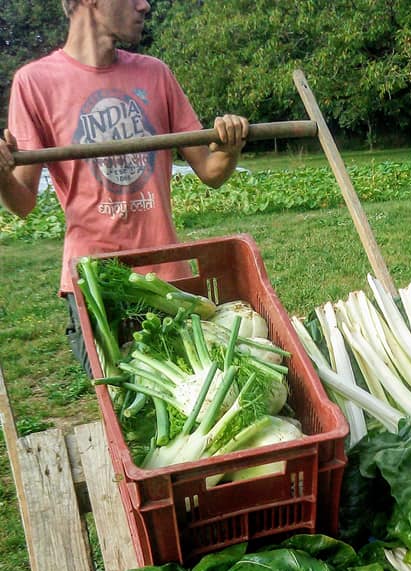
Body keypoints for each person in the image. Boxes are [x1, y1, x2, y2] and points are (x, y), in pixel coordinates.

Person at [0, 0, 249, 367]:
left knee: (192, 388)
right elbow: (22, 203)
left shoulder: (156, 74)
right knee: (119, 397)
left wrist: (229, 148)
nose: (144, 5)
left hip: (167, 280)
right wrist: (2, 174)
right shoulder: (35, 82)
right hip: (96, 286)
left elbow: (211, 172)